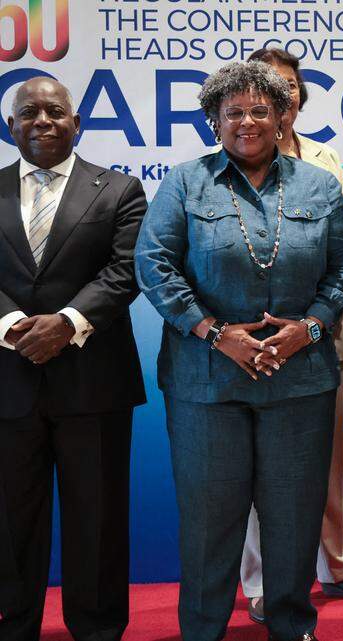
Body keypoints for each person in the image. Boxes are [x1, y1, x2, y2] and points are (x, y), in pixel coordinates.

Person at [134, 61, 343, 641]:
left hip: (300, 381)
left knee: (293, 518)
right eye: (234, 112)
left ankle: (291, 624)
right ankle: (202, 630)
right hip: (206, 383)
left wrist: (310, 327)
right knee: (209, 522)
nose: (249, 122)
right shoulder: (184, 182)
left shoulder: (320, 186)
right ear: (213, 121)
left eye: (262, 110)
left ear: (284, 117)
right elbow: (153, 265)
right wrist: (213, 332)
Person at [235, 47, 343, 625]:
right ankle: (262, 582)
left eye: (288, 87)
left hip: (327, 336)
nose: (279, 96)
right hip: (254, 344)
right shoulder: (226, 158)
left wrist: (311, 320)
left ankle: (336, 568)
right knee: (255, 472)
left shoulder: (326, 158)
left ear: (298, 97)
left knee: (330, 462)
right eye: (266, 86)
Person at [0, 77, 147, 641]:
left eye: (55, 111)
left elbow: (126, 269)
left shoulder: (118, 189)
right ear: (11, 126)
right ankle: (14, 626)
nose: (42, 120)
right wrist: (14, 326)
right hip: (8, 380)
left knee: (98, 520)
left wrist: (67, 324)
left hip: (94, 383)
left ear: (76, 123)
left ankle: (98, 628)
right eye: (28, 112)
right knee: (11, 524)